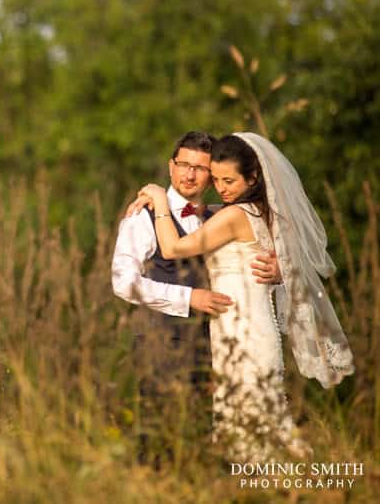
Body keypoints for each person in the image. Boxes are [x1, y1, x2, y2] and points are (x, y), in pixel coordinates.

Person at [136, 132, 355, 460]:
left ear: (253, 177)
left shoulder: (235, 215)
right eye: (217, 179)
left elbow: (173, 248)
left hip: (245, 331)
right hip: (240, 327)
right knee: (251, 422)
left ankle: (290, 483)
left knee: (251, 425)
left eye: (230, 181)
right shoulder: (260, 211)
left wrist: (160, 199)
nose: (222, 188)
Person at [112, 131, 280, 460]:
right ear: (170, 166)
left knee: (207, 445)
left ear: (213, 175)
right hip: (164, 343)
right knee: (161, 443)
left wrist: (278, 272)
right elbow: (123, 282)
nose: (189, 175)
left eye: (200, 168)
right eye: (183, 165)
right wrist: (189, 298)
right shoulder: (142, 216)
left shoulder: (223, 215)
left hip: (220, 347)